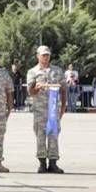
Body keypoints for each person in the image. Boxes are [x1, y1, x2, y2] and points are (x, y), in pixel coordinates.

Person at [27, 45, 66, 173]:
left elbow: (63, 90)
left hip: (53, 110)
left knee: (53, 135)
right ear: (38, 56)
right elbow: (30, 92)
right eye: (43, 55)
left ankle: (53, 163)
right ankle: (42, 163)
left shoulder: (57, 71)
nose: (45, 57)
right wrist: (36, 88)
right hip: (40, 110)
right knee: (40, 136)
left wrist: (63, 108)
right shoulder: (33, 72)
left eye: (47, 55)